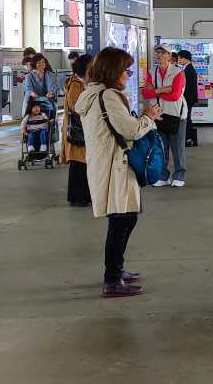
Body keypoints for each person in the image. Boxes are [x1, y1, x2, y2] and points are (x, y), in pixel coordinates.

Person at [76, 47, 161, 298]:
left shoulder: (92, 94)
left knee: (127, 216)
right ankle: (112, 279)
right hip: (116, 165)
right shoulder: (110, 96)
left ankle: (117, 269)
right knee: (121, 220)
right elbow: (131, 131)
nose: (128, 76)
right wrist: (148, 117)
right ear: (114, 71)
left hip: (107, 163)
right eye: (126, 70)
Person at [149, 46, 187, 188]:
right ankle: (163, 176)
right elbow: (146, 93)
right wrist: (164, 89)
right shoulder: (152, 72)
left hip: (176, 115)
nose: (159, 55)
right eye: (157, 52)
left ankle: (179, 175)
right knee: (161, 147)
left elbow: (175, 95)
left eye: (162, 53)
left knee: (178, 148)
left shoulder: (178, 73)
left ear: (169, 56)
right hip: (158, 115)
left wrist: (155, 91)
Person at [61, 54, 92, 207]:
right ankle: (77, 197)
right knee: (78, 165)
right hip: (77, 129)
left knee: (83, 164)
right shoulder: (75, 84)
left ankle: (84, 195)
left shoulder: (83, 82)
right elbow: (75, 107)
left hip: (84, 128)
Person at [177, 50, 199, 147]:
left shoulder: (188, 70)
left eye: (181, 58)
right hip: (191, 98)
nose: (179, 60)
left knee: (186, 118)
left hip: (188, 98)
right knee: (188, 118)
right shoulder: (188, 69)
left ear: (187, 59)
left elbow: (187, 87)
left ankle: (188, 138)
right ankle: (190, 138)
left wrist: (182, 99)